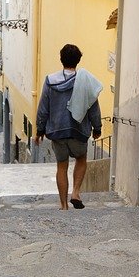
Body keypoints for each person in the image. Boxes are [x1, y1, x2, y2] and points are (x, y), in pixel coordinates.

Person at [35, 44, 102, 210]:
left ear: (61, 59)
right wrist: (97, 127)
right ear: (79, 60)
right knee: (81, 159)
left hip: (57, 131)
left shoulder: (50, 81)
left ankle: (64, 205)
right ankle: (76, 193)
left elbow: (44, 107)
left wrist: (40, 129)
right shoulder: (85, 81)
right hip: (78, 130)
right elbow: (93, 105)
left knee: (61, 166)